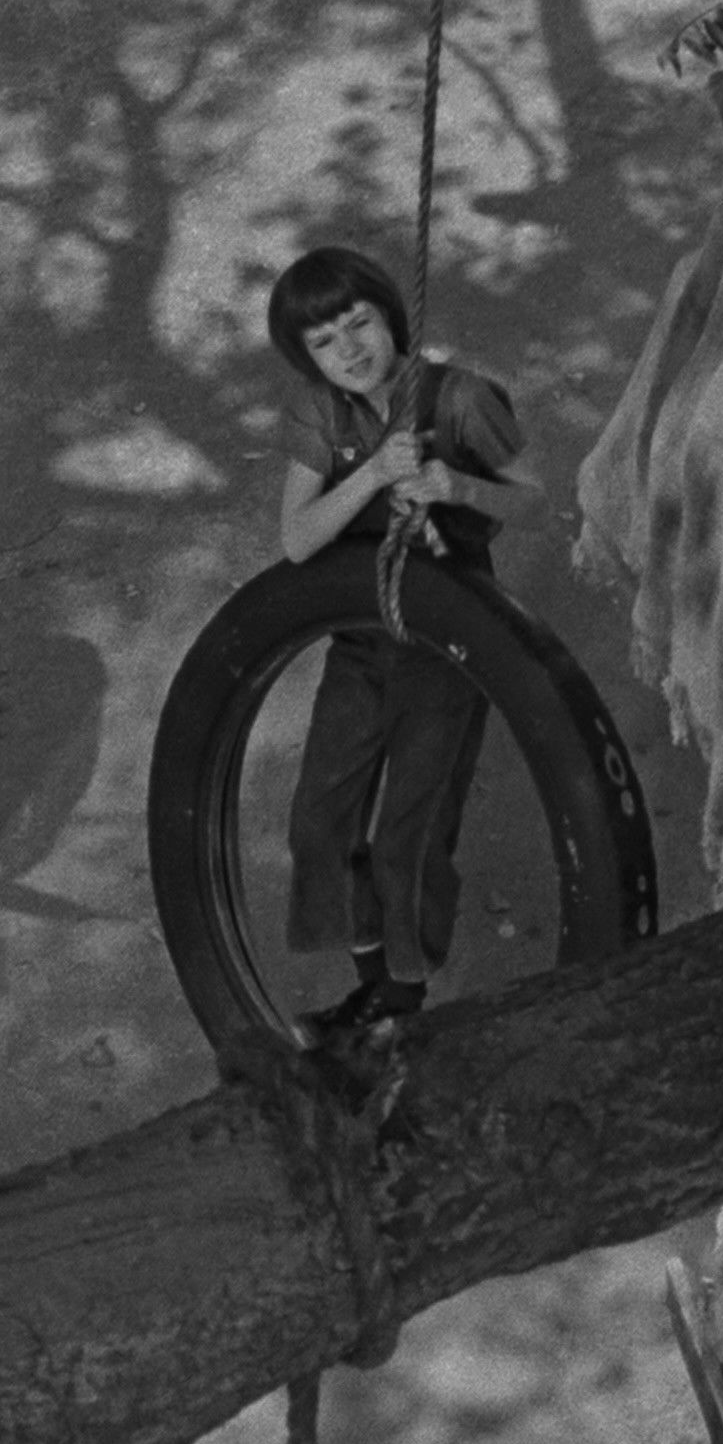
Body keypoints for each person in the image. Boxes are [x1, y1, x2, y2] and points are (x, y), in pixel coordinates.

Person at [265, 247, 540, 1034]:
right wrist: (374, 474)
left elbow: (534, 501)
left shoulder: (459, 399)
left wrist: (457, 486)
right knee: (319, 820)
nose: (349, 350)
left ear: (390, 315)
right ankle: (372, 981)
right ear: (307, 358)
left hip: (446, 641)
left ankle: (401, 1000)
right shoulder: (322, 409)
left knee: (407, 836)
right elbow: (297, 539)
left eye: (359, 324)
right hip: (362, 633)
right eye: (324, 342)